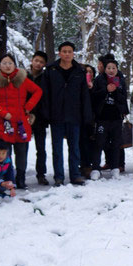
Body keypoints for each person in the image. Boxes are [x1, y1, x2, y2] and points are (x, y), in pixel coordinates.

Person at [40, 41, 92, 186]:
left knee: (74, 147)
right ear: (59, 53)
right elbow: (45, 94)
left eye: (70, 51)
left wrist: (86, 115)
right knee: (57, 148)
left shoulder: (79, 71)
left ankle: (75, 175)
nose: (67, 54)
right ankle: (59, 176)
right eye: (64, 51)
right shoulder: (51, 70)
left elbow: (84, 95)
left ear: (73, 53)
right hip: (56, 114)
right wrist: (47, 114)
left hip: (75, 115)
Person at [0, 54, 43, 190]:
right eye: (4, 63)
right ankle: (7, 179)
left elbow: (37, 91)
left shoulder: (22, 79)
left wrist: (28, 106)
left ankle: (21, 178)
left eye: (10, 63)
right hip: (2, 122)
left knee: (22, 151)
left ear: (14, 65)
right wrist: (2, 112)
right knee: (4, 152)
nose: (7, 66)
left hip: (20, 122)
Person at [89, 59, 128, 180]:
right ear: (105, 69)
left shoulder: (121, 81)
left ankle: (115, 168)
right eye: (109, 68)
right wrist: (106, 90)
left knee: (116, 144)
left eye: (114, 68)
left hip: (116, 118)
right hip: (102, 118)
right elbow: (94, 97)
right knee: (99, 143)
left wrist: (115, 91)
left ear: (117, 69)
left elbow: (123, 99)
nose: (111, 70)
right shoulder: (99, 80)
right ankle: (95, 168)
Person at [27, 51, 49, 185]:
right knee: (22, 148)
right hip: (25, 116)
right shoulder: (23, 76)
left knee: (41, 148)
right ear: (32, 60)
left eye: (41, 62)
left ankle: (41, 174)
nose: (38, 64)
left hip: (40, 117)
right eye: (36, 60)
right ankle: (20, 173)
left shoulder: (45, 77)